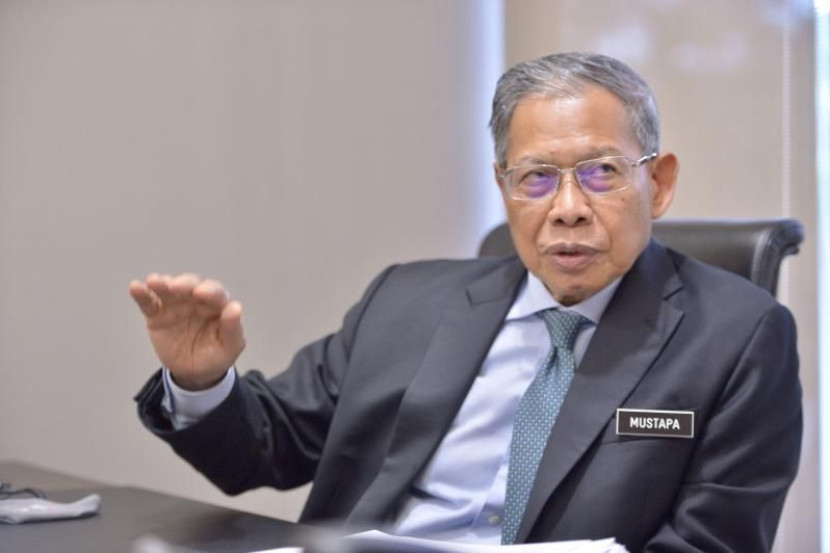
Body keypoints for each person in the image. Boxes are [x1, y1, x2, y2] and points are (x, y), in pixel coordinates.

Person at [130, 52, 801, 552]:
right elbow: (264, 449)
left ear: (659, 183)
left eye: (601, 172)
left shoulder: (739, 337)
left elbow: (713, 544)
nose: (568, 208)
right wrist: (201, 381)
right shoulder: (406, 300)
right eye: (536, 177)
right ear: (503, 187)